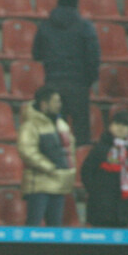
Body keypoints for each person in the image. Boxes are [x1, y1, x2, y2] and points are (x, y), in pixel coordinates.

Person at [32, 0, 100, 142]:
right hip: (78, 85)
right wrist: (89, 80)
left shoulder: (45, 26)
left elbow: (36, 54)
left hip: (53, 83)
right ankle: (79, 163)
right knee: (81, 132)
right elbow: (93, 57)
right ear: (76, 3)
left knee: (53, 131)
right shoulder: (85, 27)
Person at [17, 86, 77, 226]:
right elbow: (27, 151)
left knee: (55, 228)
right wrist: (50, 168)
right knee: (34, 225)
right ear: (44, 104)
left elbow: (69, 151)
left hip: (60, 183)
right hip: (38, 185)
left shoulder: (62, 125)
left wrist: (67, 171)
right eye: (56, 102)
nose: (59, 105)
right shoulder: (31, 125)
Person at [81, 111, 128, 227]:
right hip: (99, 207)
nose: (121, 128)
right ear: (110, 126)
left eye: (125, 125)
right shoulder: (100, 148)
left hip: (122, 207)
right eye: (117, 124)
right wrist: (95, 192)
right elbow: (86, 171)